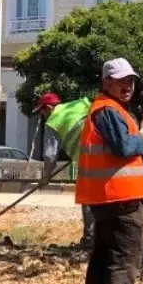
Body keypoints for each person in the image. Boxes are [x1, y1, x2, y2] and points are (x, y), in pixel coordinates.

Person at [75, 58, 143, 284]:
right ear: (106, 82)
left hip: (108, 196)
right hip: (120, 197)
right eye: (121, 80)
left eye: (131, 81)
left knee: (104, 259)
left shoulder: (111, 110)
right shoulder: (109, 111)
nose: (128, 86)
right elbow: (124, 147)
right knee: (124, 260)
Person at [33, 92, 95, 247]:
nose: (42, 116)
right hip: (106, 153)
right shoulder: (80, 103)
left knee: (88, 199)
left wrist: (46, 177)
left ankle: (91, 240)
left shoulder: (53, 122)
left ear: (48, 108)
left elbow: (49, 156)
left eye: (41, 112)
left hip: (88, 160)